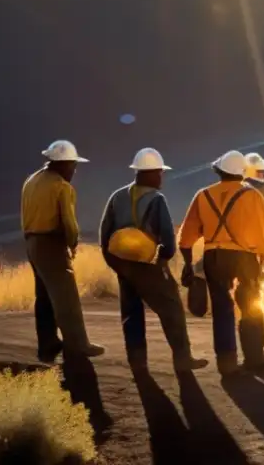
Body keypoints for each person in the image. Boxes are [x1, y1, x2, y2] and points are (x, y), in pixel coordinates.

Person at [100, 148, 207, 373]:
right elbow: (168, 241)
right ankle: (182, 360)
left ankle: (138, 363)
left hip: (122, 265)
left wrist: (115, 264)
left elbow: (105, 234)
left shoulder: (117, 196)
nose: (161, 177)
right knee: (172, 310)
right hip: (148, 266)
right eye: (159, 173)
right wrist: (162, 262)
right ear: (149, 174)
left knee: (131, 313)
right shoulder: (157, 200)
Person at [178, 150, 264, 376]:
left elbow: (186, 237)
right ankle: (254, 357)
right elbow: (263, 234)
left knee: (222, 309)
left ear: (219, 171)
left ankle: (227, 362)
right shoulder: (253, 196)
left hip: (214, 256)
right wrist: (261, 260)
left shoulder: (203, 195)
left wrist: (188, 263)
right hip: (244, 257)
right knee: (250, 304)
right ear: (242, 173)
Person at [21, 140, 104, 362]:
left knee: (45, 297)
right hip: (51, 244)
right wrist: (72, 245)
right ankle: (78, 345)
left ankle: (47, 345)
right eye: (73, 165)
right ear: (64, 164)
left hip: (31, 243)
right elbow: (69, 223)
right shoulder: (61, 186)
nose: (74, 170)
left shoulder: (31, 180)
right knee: (66, 296)